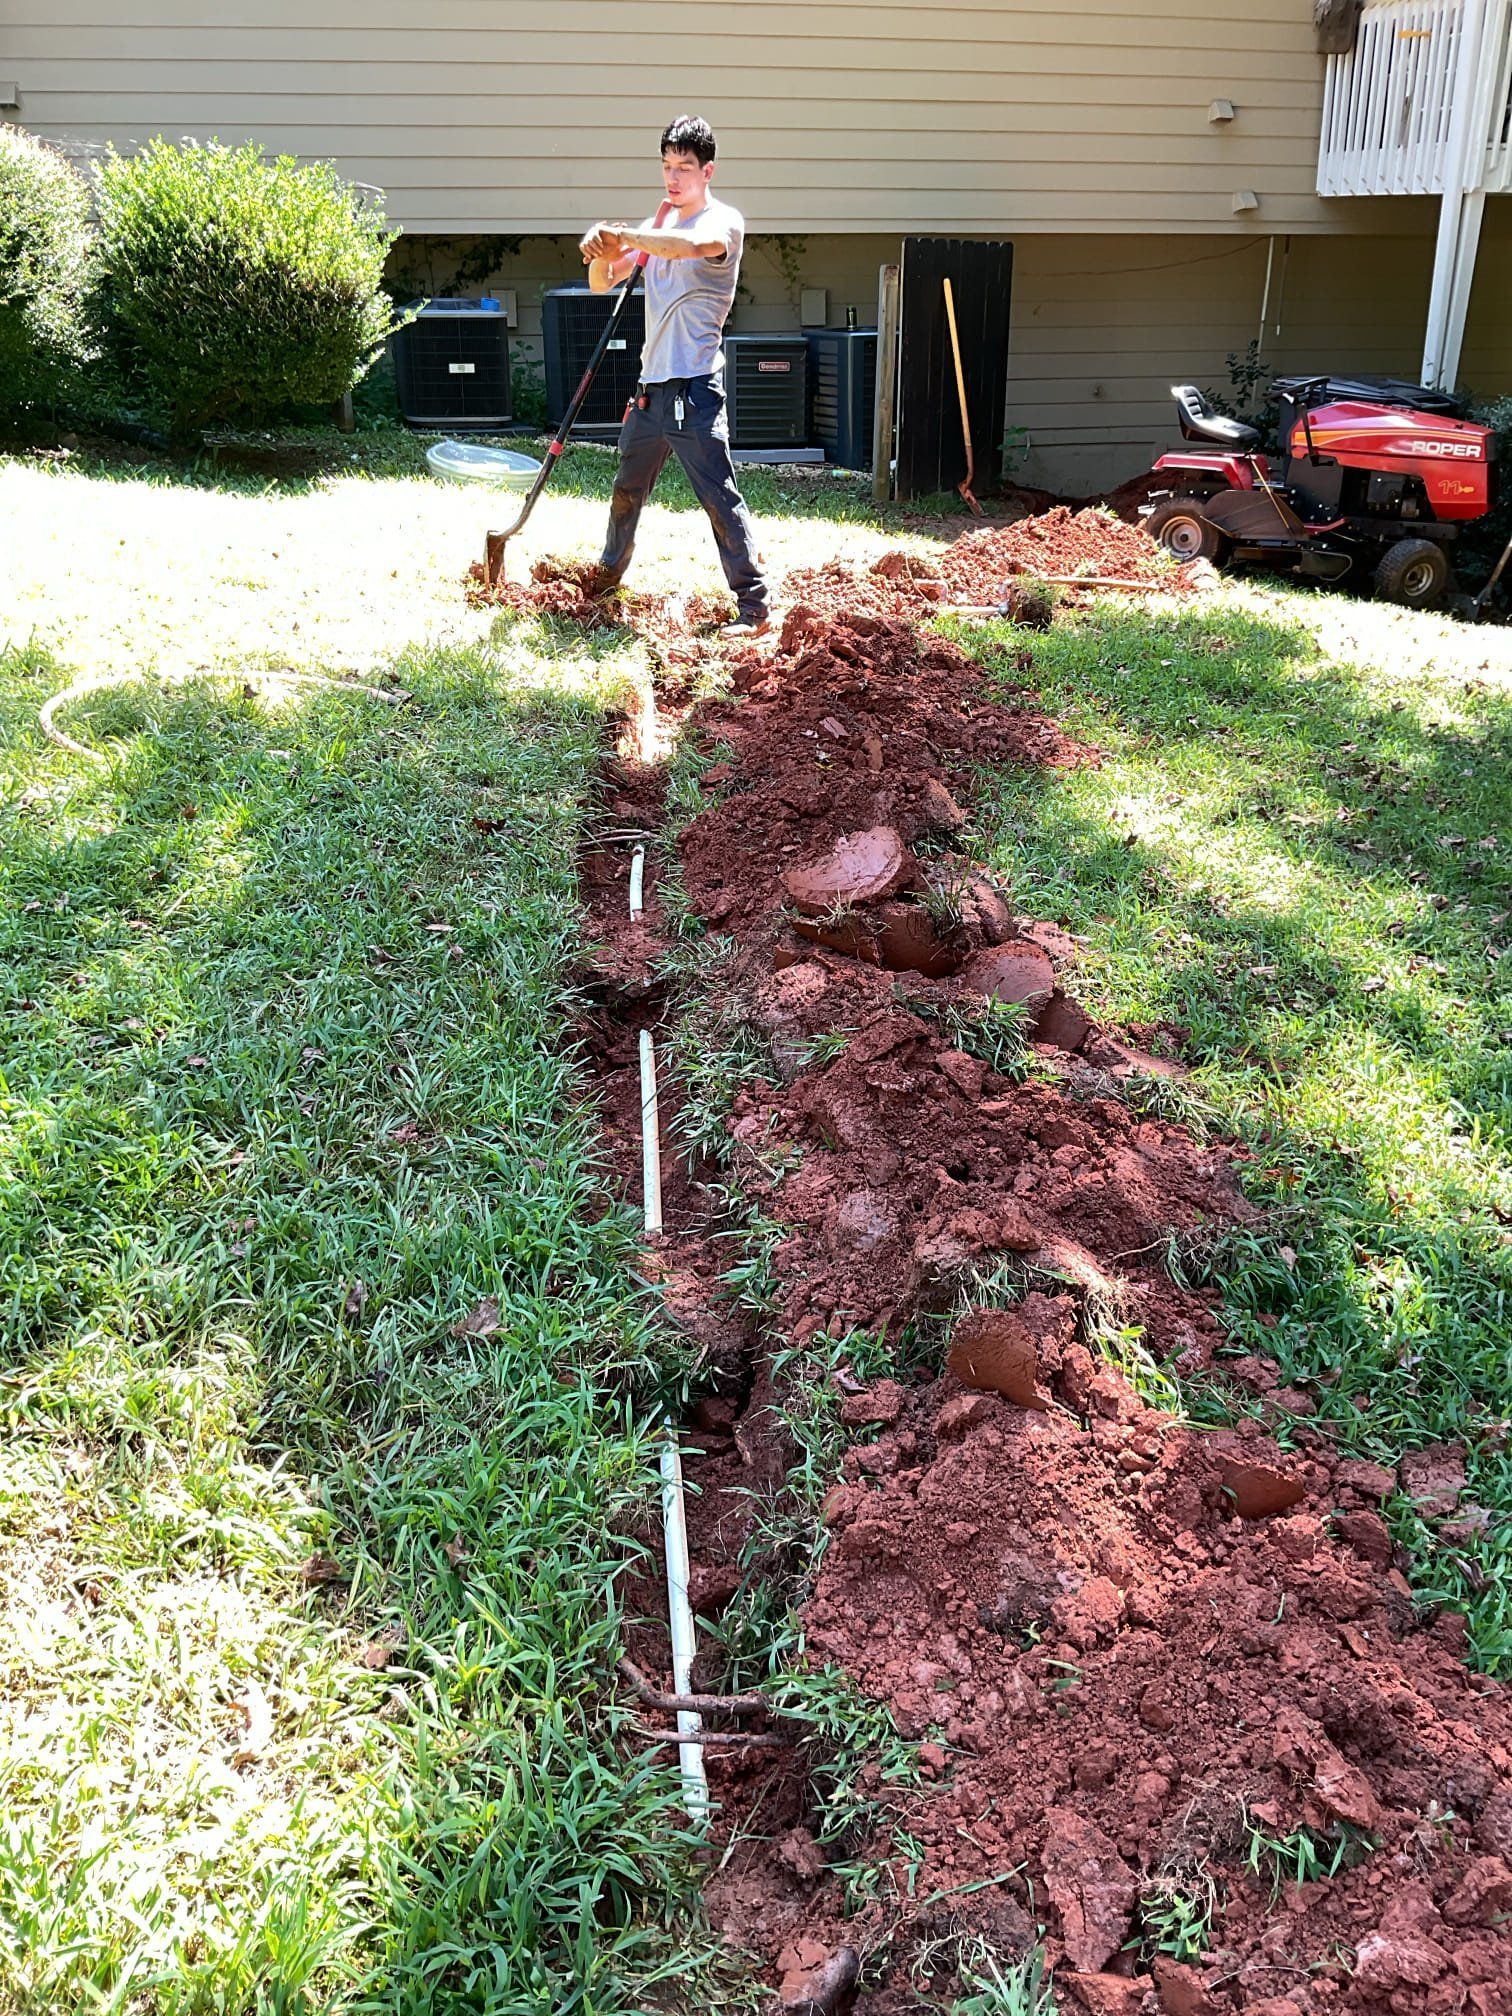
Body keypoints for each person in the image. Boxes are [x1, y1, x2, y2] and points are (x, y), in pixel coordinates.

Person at [580, 115, 770, 639]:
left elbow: (685, 248)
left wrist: (626, 232)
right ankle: (607, 581)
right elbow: (602, 283)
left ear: (707, 170)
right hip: (650, 391)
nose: (673, 177)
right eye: (666, 166)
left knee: (718, 496)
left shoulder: (722, 223)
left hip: (695, 390)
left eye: (684, 167)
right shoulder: (657, 226)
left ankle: (754, 608)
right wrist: (601, 248)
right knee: (626, 490)